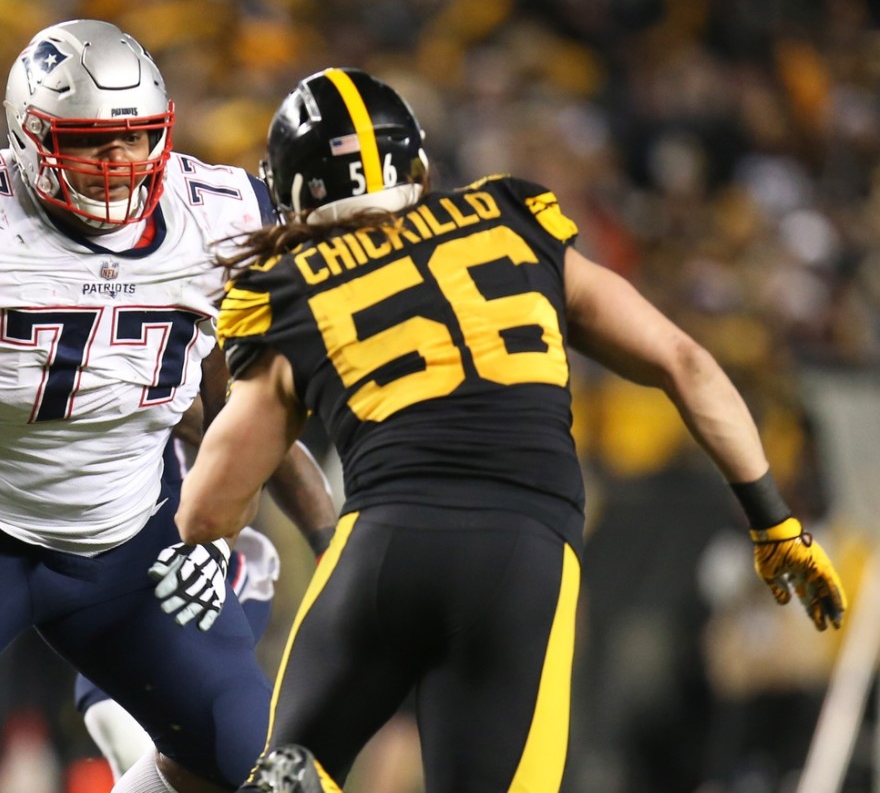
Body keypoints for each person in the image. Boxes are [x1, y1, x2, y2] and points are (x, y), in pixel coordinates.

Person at [160, 68, 849, 793]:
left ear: (291, 189)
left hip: (382, 547)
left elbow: (207, 509)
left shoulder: (289, 288)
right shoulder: (508, 217)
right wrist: (775, 525)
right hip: (524, 553)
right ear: (417, 168)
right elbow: (685, 362)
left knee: (293, 767)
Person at [0, 20, 336, 793]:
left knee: (253, 769)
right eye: (87, 143)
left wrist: (273, 541)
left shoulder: (222, 218)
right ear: (29, 137)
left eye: (136, 138)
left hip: (129, 529)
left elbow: (242, 415)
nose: (117, 163)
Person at [0, 418, 327, 783]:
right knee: (27, 721)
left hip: (175, 567)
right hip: (36, 567)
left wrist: (336, 552)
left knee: (214, 750)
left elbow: (262, 432)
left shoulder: (132, 352)